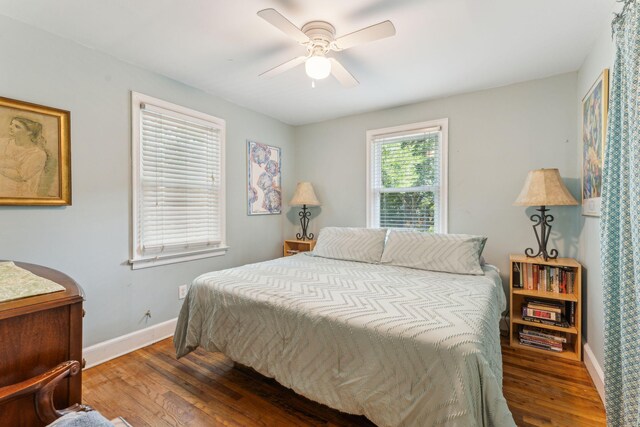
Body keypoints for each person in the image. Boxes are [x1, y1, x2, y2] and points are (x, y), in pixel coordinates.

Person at [0, 117, 49, 198]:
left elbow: (20, 176)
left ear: (29, 132)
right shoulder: (2, 142)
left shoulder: (38, 154)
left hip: (21, 196)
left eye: (17, 126)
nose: (10, 127)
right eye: (11, 124)